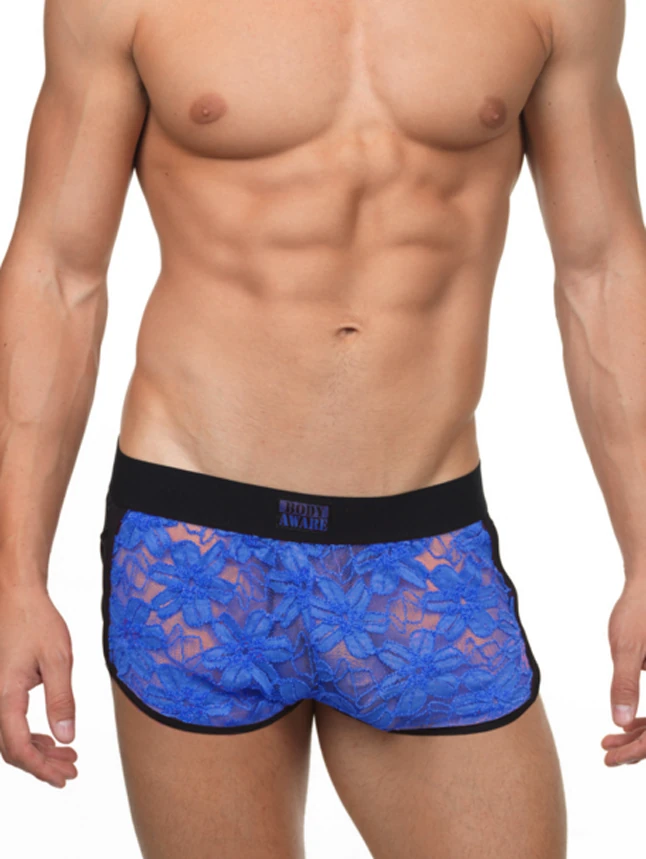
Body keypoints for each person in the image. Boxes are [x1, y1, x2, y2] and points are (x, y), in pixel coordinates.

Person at [1, 0, 645, 855]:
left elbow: (603, 271)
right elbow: (57, 272)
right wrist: (13, 576)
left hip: (423, 543)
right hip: (198, 542)